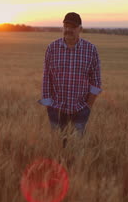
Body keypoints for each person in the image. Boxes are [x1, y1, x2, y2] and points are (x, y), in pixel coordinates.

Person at [38, 12, 102, 146]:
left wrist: (87, 107)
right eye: (66, 26)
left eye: (73, 26)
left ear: (80, 29)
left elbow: (96, 82)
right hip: (56, 109)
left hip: (80, 109)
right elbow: (46, 78)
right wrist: (49, 105)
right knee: (57, 147)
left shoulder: (91, 50)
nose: (68, 30)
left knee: (76, 147)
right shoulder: (52, 48)